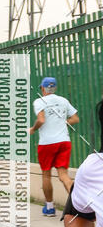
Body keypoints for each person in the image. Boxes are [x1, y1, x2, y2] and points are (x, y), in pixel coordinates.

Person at [30, 76, 79, 216]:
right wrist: (62, 124)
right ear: (55, 88)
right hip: (64, 141)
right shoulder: (63, 101)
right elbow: (75, 119)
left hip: (47, 143)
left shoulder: (39, 101)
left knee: (46, 175)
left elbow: (41, 119)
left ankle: (50, 208)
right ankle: (78, 207)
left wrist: (33, 129)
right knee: (63, 175)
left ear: (42, 88)